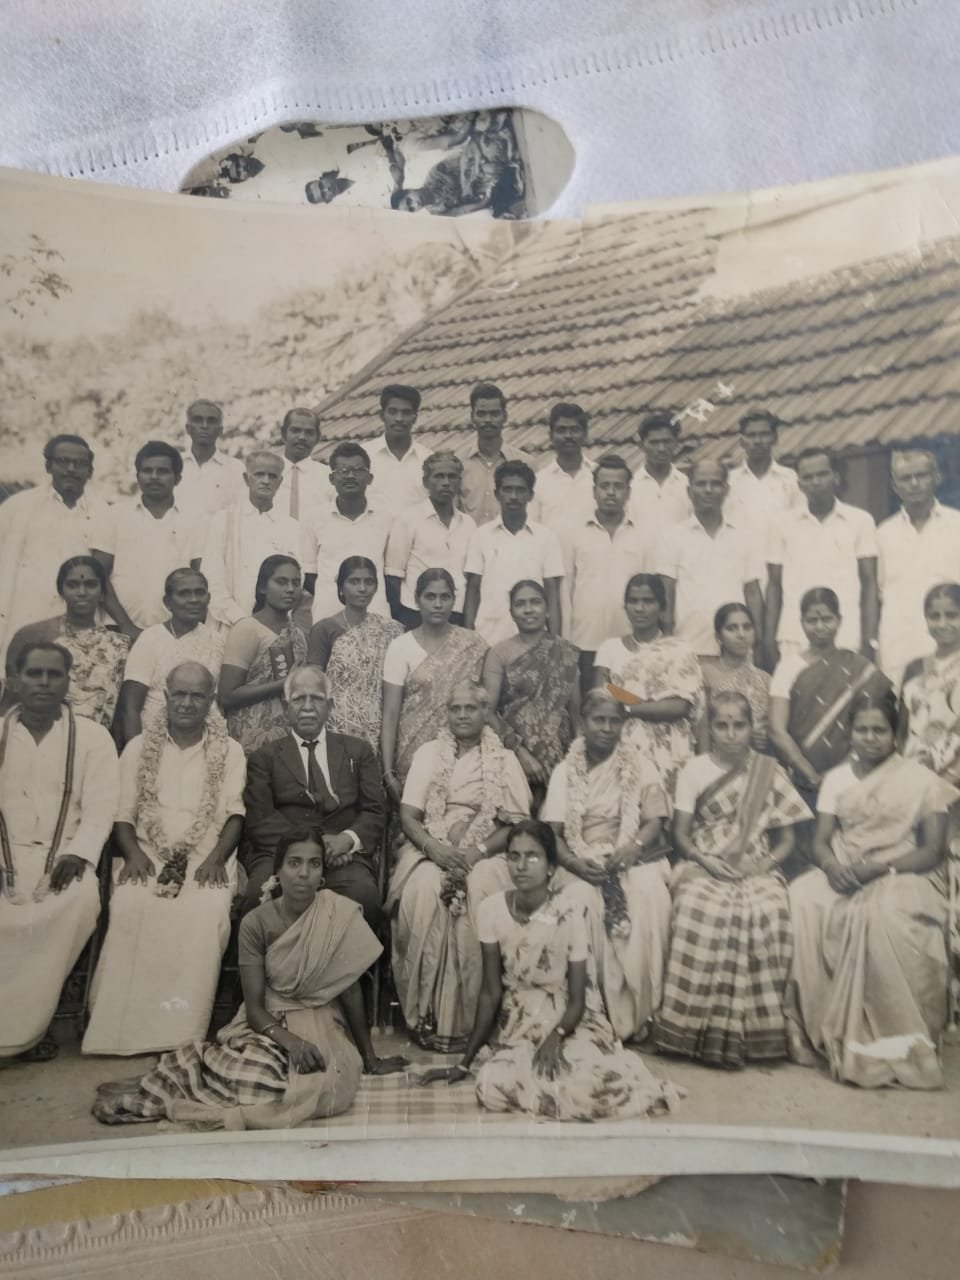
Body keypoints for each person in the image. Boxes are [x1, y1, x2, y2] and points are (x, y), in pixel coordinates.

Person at [92, 830, 406, 1128]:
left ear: (323, 873)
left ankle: (193, 1080)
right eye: (294, 863)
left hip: (322, 1025)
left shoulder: (336, 913)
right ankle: (176, 1080)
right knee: (256, 1078)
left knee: (330, 1086)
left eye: (314, 864)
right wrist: (292, 1043)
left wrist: (369, 1059)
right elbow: (255, 1009)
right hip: (269, 1023)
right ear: (278, 870)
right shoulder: (256, 923)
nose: (304, 873)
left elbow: (350, 991)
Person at [420, 820, 682, 1121]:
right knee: (491, 1085)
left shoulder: (570, 911)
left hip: (571, 1019)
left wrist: (556, 1037)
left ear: (551, 867)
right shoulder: (491, 910)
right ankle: (551, 1095)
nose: (521, 866)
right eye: (514, 856)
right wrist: (464, 1063)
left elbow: (579, 998)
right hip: (520, 1022)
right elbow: (491, 992)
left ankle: (567, 1090)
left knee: (584, 1079)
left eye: (532, 857)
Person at [788, 692, 956, 1089]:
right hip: (847, 865)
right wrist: (832, 867)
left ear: (895, 735)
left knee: (881, 916)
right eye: (861, 730)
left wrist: (881, 868)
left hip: (902, 870)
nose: (870, 738)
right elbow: (820, 841)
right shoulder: (837, 779)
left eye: (879, 730)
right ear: (850, 734)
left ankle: (894, 1044)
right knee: (802, 898)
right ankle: (815, 1030)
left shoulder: (923, 781)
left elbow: (933, 850)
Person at [82, 661, 246, 1056]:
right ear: (166, 697)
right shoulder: (139, 747)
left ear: (210, 700)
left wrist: (216, 859)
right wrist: (133, 853)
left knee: (205, 912)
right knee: (131, 904)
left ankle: (179, 1034)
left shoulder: (230, 750)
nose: (187, 703)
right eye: (180, 694)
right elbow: (123, 815)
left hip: (206, 858)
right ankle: (117, 1033)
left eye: (197, 696)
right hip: (147, 855)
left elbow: (235, 815)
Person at [655, 692, 810, 1067]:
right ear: (710, 728)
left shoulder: (769, 770)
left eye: (739, 725)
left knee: (771, 910)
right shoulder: (694, 770)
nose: (730, 734)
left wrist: (763, 865)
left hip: (755, 864)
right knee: (697, 908)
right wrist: (704, 860)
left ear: (751, 727)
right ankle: (689, 1029)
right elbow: (680, 835)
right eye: (722, 725)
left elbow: (787, 841)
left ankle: (764, 1031)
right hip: (703, 861)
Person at [387, 681, 531, 1051]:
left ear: (485, 713)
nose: (463, 715)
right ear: (447, 713)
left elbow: (516, 826)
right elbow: (409, 816)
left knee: (480, 891)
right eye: (456, 708)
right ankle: (424, 1015)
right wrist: (434, 848)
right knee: (423, 891)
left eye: (471, 708)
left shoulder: (505, 760)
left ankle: (470, 1020)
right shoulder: (429, 753)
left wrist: (477, 850)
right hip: (430, 845)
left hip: (489, 850)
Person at [0, 642, 119, 1061]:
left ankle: (29, 1028)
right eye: (34, 674)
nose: (44, 683)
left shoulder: (93, 737)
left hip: (65, 858)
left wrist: (80, 854)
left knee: (79, 901)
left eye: (54, 675)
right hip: (5, 858)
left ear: (68, 682)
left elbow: (102, 807)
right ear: (14, 681)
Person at [541, 688, 672, 1042]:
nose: (606, 728)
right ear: (583, 723)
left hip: (631, 854)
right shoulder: (565, 771)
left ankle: (644, 1013)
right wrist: (575, 863)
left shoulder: (641, 764)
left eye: (615, 721)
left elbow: (655, 819)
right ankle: (593, 1016)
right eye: (599, 720)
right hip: (580, 858)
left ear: (623, 726)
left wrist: (633, 846)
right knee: (579, 901)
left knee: (651, 894)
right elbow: (553, 834)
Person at [242, 666, 385, 928]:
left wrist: (347, 839)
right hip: (282, 855)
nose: (308, 707)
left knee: (365, 897)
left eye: (317, 699)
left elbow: (375, 810)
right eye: (299, 699)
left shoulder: (358, 751)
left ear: (330, 706)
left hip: (343, 858)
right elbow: (260, 819)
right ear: (286, 708)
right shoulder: (264, 757)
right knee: (255, 898)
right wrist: (313, 849)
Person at [768, 587, 891, 818]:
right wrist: (809, 773)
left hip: (851, 771)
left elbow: (873, 722)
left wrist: (839, 773)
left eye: (827, 619)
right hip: (798, 775)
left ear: (839, 620)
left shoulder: (858, 667)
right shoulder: (788, 666)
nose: (820, 626)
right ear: (801, 623)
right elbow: (776, 729)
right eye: (812, 620)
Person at [899, 581, 960, 1027]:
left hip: (955, 789)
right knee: (923, 881)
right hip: (916, 790)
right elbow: (904, 734)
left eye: (951, 615)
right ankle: (929, 998)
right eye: (935, 615)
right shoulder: (913, 669)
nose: (942, 623)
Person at [0, 434, 112, 664]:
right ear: (48, 466)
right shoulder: (17, 507)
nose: (71, 469)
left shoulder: (103, 511)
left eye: (79, 463)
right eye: (63, 461)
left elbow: (102, 573)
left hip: (77, 619)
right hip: (23, 613)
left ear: (90, 471)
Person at [764, 446, 879, 668]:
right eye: (808, 477)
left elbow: (869, 584)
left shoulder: (860, 521)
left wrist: (869, 640)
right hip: (794, 635)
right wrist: (769, 639)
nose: (815, 482)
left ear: (835, 477)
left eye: (822, 474)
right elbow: (774, 585)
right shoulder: (781, 524)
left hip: (846, 634)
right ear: (799, 484)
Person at [594, 574, 704, 799]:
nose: (640, 608)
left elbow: (680, 706)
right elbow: (600, 700)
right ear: (625, 607)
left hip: (670, 748)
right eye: (633, 601)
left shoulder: (680, 649)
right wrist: (654, 703)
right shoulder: (609, 649)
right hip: (621, 746)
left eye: (648, 601)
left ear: (662, 607)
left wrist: (625, 705)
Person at [381, 569, 489, 791]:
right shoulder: (401, 646)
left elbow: (485, 704)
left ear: (453, 600)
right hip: (412, 755)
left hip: (462, 755)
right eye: (430, 597)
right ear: (417, 600)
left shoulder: (473, 644)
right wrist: (388, 773)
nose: (438, 604)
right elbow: (390, 714)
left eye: (445, 597)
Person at [482, 580, 580, 807]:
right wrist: (520, 753)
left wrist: (577, 761)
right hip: (512, 755)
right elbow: (487, 711)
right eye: (520, 604)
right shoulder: (499, 653)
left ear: (547, 609)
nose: (528, 609)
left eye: (535, 602)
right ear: (511, 613)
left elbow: (576, 714)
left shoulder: (565, 651)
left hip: (560, 755)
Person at [3, 556, 129, 730]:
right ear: (61, 590)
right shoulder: (32, 635)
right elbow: (10, 699)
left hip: (94, 739)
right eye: (72, 585)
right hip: (37, 735)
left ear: (102, 593)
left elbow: (117, 712)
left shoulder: (117, 645)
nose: (82, 592)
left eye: (91, 585)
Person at [654, 459, 763, 659]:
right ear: (689, 491)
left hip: (735, 649)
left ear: (726, 490)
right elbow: (667, 592)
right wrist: (668, 639)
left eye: (715, 484)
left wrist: (756, 642)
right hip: (688, 647)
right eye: (701, 484)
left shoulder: (745, 536)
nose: (708, 490)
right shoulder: (672, 537)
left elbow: (753, 593)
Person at [92, 441, 202, 633]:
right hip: (118, 628)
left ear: (177, 478)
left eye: (163, 471)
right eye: (147, 470)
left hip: (174, 631)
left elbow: (199, 577)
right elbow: (98, 574)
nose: (154, 477)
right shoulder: (114, 515)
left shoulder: (195, 520)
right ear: (138, 476)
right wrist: (125, 625)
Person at [562, 454, 652, 690]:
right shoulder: (574, 533)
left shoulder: (644, 535)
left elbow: (650, 594)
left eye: (618, 486)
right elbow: (566, 590)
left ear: (628, 492)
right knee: (590, 704)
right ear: (594, 491)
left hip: (630, 643)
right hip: (585, 642)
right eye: (604, 486)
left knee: (628, 702)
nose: (611, 492)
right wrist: (566, 642)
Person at [201, 449, 315, 630]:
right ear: (247, 479)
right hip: (228, 624)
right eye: (259, 474)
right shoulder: (223, 520)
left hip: (275, 627)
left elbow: (295, 581)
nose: (266, 481)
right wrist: (240, 620)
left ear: (280, 482)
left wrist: (271, 623)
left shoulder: (291, 527)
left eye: (272, 476)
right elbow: (211, 579)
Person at [877, 450, 960, 688]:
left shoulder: (956, 525)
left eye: (921, 475)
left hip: (950, 646)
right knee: (900, 707)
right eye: (906, 478)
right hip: (898, 647)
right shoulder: (883, 534)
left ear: (936, 477)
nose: (914, 483)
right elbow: (878, 594)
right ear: (895, 486)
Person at [463, 460, 564, 645]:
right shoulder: (481, 536)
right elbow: (473, 590)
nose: (514, 496)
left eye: (520, 490)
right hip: (488, 637)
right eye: (508, 489)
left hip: (534, 641)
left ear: (531, 495)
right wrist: (469, 638)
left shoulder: (547, 538)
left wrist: (555, 643)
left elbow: (552, 594)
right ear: (497, 494)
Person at [118, 568, 226, 742]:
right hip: (154, 738)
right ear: (167, 602)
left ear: (208, 598)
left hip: (206, 738)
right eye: (184, 594)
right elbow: (130, 708)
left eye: (200, 593)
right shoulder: (151, 638)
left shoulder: (218, 641)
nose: (194, 600)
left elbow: (219, 700)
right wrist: (136, 750)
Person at [307, 557, 403, 752]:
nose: (362, 588)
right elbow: (313, 683)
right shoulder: (324, 629)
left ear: (376, 587)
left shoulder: (392, 630)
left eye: (369, 582)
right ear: (341, 587)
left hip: (379, 721)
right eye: (354, 581)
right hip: (337, 722)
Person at [218, 556, 309, 754]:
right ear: (262, 587)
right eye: (281, 582)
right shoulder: (248, 629)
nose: (290, 589)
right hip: (251, 737)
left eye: (296, 583)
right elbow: (226, 696)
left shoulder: (298, 634)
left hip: (290, 738)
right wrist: (284, 683)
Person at [384, 450, 476, 629]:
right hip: (415, 614)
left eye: (452, 477)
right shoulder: (408, 519)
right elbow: (393, 575)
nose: (446, 483)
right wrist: (402, 617)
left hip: (456, 614)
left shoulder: (468, 524)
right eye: (439, 476)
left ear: (459, 482)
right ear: (426, 482)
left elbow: (470, 577)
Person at [306, 442, 392, 623]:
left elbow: (392, 575)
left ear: (370, 478)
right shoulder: (313, 518)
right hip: (327, 617)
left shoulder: (387, 518)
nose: (350, 476)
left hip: (376, 615)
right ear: (331, 478)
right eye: (343, 471)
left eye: (358, 470)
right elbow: (309, 574)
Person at [698, 603, 770, 753]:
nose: (741, 634)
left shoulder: (765, 679)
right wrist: (705, 764)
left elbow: (772, 728)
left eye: (747, 627)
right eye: (732, 628)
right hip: (718, 757)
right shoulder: (705, 674)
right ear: (718, 637)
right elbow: (702, 729)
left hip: (756, 759)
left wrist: (764, 735)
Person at [458, 384, 533, 526]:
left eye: (494, 414)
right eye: (481, 414)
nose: (488, 420)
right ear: (472, 417)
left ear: (505, 416)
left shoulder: (526, 463)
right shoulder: (459, 464)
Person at [724, 410, 803, 540]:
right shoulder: (729, 481)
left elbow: (800, 524)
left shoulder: (791, 479)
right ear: (742, 441)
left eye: (764, 434)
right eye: (751, 435)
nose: (758, 441)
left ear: (774, 438)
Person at [528, 402, 596, 537]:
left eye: (574, 430)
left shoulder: (599, 475)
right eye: (561, 430)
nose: (568, 436)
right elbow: (532, 530)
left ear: (585, 434)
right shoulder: (538, 482)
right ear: (551, 436)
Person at [364, 384, 432, 518]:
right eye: (392, 412)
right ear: (382, 415)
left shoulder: (428, 459)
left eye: (406, 413)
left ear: (415, 418)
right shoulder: (363, 456)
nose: (399, 418)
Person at [174, 400, 246, 519]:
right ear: (188, 428)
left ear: (220, 430)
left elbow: (241, 513)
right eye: (198, 420)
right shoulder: (172, 464)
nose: (204, 426)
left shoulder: (236, 468)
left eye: (211, 421)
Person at [625, 411, 692, 535]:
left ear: (676, 443)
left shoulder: (688, 485)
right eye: (654, 442)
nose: (661, 448)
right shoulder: (630, 486)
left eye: (667, 441)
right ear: (642, 445)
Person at [275, 408, 331, 521]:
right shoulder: (266, 474)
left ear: (317, 438)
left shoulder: (328, 477)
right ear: (283, 434)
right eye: (295, 430)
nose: (302, 437)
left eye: (309, 433)